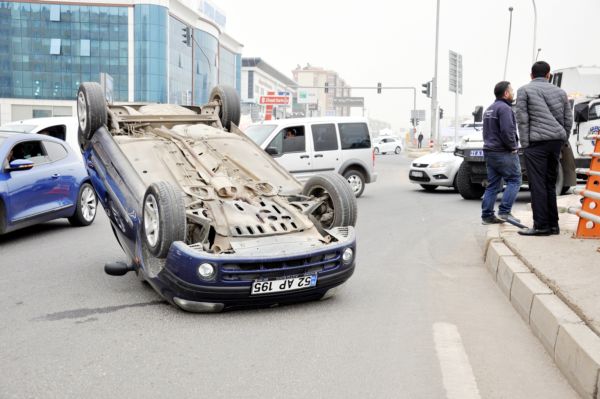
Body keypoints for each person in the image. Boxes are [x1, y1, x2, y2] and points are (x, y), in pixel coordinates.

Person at [515, 61, 572, 236]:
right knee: (549, 183)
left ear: (531, 75)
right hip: (556, 142)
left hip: (536, 143)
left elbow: (522, 119)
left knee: (537, 184)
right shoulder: (561, 92)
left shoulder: (524, 90)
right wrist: (563, 139)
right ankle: (553, 226)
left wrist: (525, 144)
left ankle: (541, 226)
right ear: (548, 75)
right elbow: (568, 119)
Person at [480, 81, 522, 225]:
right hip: (503, 152)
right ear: (506, 93)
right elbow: (507, 131)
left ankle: (487, 215)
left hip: (490, 152)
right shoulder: (505, 109)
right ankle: (504, 212)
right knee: (515, 180)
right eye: (512, 90)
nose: (513, 93)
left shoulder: (489, 109)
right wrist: (513, 147)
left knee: (493, 184)